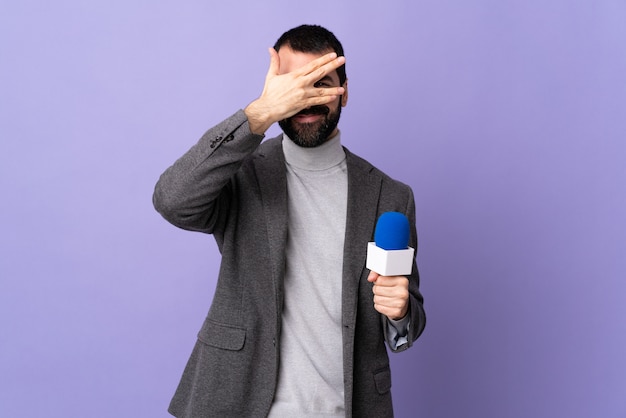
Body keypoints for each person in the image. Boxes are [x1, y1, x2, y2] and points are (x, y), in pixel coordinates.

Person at [153, 24, 426, 418]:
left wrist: (400, 313)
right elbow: (171, 200)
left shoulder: (390, 196)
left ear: (344, 94)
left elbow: (405, 329)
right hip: (239, 405)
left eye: (320, 83)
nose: (306, 98)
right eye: (294, 86)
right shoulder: (240, 175)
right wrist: (259, 113)